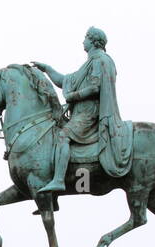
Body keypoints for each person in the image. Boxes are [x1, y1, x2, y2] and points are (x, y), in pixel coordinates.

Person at [31, 26, 133, 195]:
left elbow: (95, 87)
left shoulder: (101, 60)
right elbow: (64, 80)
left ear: (93, 41)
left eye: (86, 37)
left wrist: (73, 96)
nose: (83, 41)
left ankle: (58, 180)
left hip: (90, 114)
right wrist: (47, 69)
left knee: (63, 136)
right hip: (81, 113)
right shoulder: (89, 63)